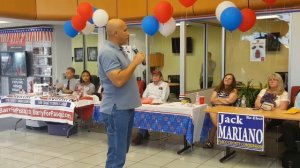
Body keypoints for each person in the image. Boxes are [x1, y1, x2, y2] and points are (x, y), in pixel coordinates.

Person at [98, 18, 145, 168]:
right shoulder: (107, 53)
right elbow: (118, 80)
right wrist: (135, 62)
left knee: (121, 150)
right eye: (125, 30)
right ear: (115, 33)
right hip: (116, 110)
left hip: (125, 108)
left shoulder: (118, 50)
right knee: (117, 155)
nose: (128, 33)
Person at [132, 70, 170, 145]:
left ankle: (140, 134)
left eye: (156, 76)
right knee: (142, 114)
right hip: (148, 104)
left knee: (146, 115)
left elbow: (163, 99)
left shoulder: (165, 85)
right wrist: (149, 100)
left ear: (160, 77)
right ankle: (143, 132)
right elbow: (144, 96)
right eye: (153, 76)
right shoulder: (149, 85)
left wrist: (151, 100)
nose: (154, 77)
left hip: (159, 106)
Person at [202, 73, 238, 148]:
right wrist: (224, 100)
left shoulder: (233, 90)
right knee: (211, 112)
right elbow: (212, 100)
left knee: (212, 112)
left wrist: (218, 99)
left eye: (229, 79)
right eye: (226, 78)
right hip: (216, 109)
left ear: (232, 81)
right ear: (223, 79)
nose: (227, 80)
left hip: (227, 110)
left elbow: (230, 101)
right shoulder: (218, 89)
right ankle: (218, 129)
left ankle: (212, 139)